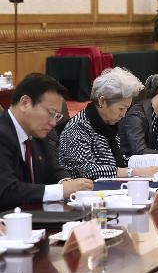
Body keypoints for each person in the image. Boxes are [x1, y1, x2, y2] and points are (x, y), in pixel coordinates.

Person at [0, 74, 92, 209]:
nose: (53, 122)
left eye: (57, 116)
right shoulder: (3, 134)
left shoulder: (36, 133)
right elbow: (7, 190)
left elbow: (52, 168)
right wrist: (60, 190)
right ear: (25, 103)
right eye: (50, 112)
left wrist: (66, 182)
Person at [60, 68, 158, 180]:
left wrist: (146, 165)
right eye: (121, 108)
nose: (123, 115)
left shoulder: (108, 125)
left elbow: (115, 162)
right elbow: (87, 170)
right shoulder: (78, 128)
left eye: (126, 109)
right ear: (102, 101)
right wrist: (134, 171)